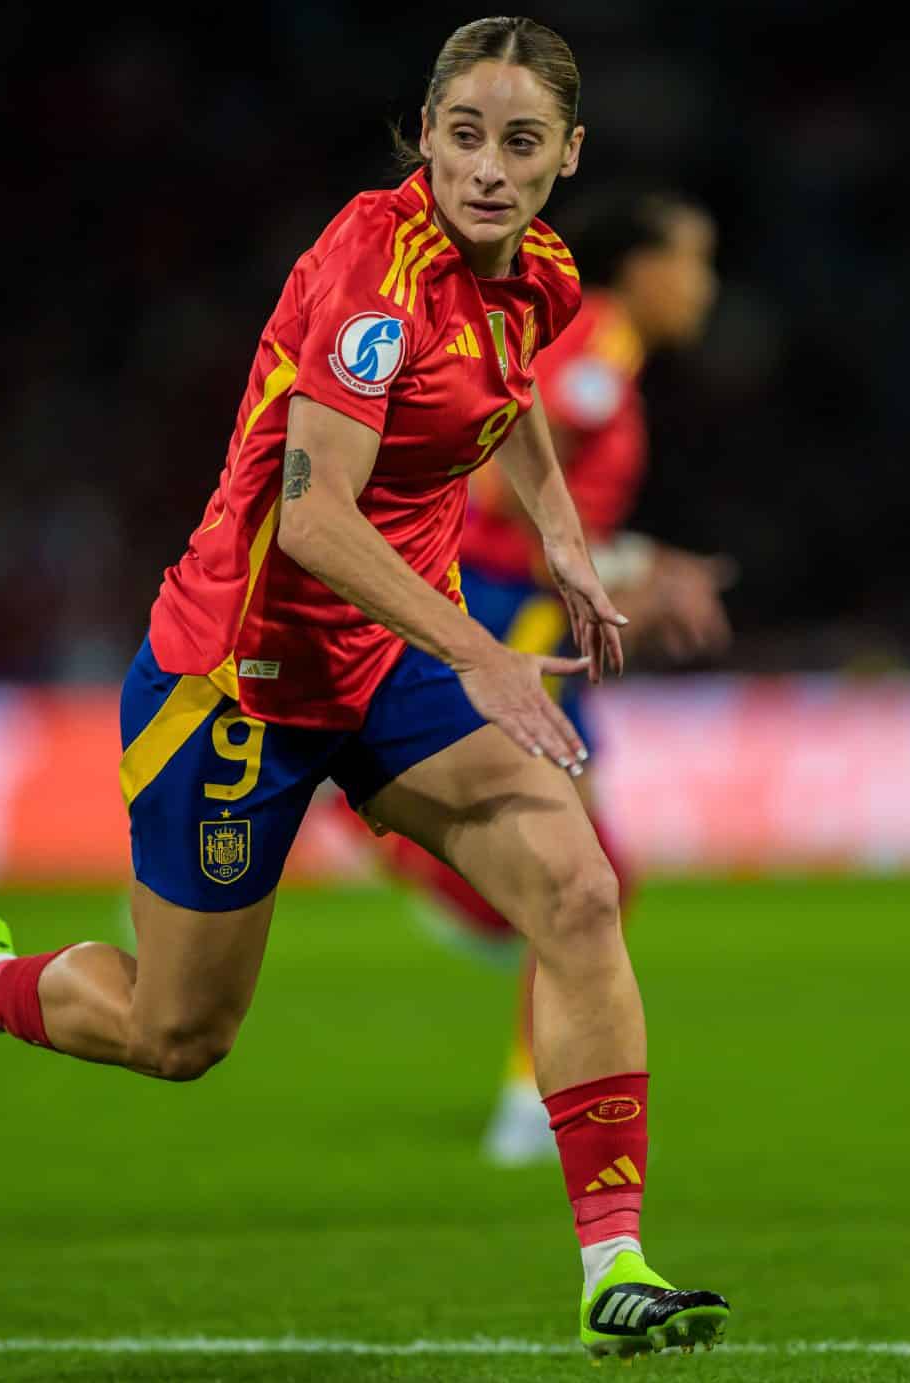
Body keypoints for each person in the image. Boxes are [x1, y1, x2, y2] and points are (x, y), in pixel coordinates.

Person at [0, 15, 730, 1360]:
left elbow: (502, 412)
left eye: (521, 142)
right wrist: (478, 645)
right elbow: (315, 514)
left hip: (387, 660)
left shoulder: (544, 279)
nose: (489, 169)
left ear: (568, 156)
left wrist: (566, 546)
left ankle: (612, 1261)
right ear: (428, 135)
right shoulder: (375, 269)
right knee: (180, 1032)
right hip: (238, 676)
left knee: (580, 886)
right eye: (464, 136)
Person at [375, 185, 733, 1166]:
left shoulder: (591, 350)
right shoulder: (598, 356)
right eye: (693, 262)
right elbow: (500, 494)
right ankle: (529, 1104)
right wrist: (621, 575)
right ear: (644, 269)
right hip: (506, 616)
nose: (701, 287)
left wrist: (635, 564)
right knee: (589, 877)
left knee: (590, 877)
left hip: (506, 607)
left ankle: (529, 1097)